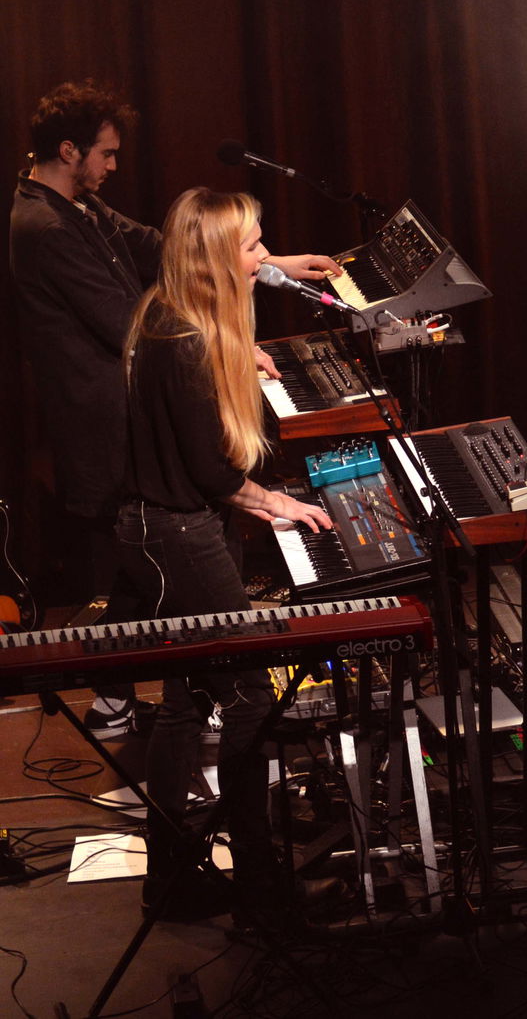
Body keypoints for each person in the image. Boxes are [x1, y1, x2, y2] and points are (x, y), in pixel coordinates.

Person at [9, 81, 341, 735]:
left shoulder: (80, 204)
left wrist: (272, 264)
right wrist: (221, 344)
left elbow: (170, 247)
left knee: (151, 561)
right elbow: (125, 322)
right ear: (68, 149)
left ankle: (129, 697)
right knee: (157, 546)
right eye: (103, 154)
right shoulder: (41, 225)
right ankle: (179, 695)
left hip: (134, 413)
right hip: (109, 424)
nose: (112, 166)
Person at [115, 187, 334, 922]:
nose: (263, 257)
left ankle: (171, 880)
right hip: (177, 533)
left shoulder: (170, 317)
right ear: (213, 259)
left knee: (186, 701)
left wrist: (244, 352)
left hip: (164, 527)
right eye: (251, 247)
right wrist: (282, 505)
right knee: (247, 700)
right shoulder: (182, 341)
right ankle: (263, 888)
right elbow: (213, 473)